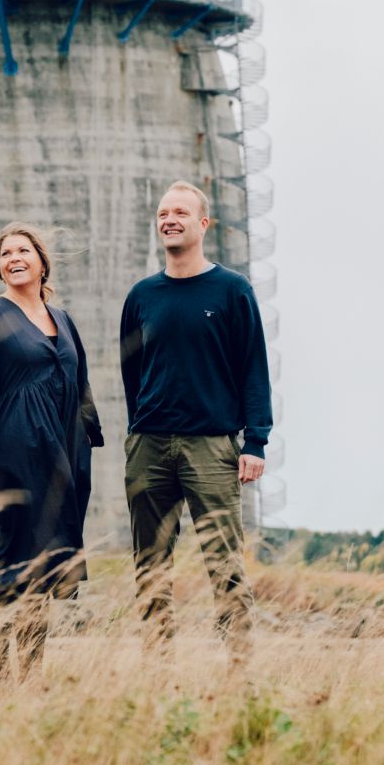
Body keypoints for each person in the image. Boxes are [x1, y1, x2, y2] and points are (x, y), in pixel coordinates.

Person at [120, 180, 273, 668]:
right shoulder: (142, 296)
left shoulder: (231, 290)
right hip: (149, 446)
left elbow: (253, 367)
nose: (170, 220)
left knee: (225, 565)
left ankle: (241, 673)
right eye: (164, 213)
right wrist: (138, 429)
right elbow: (131, 372)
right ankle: (158, 670)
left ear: (202, 224)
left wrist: (257, 441)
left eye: (181, 212)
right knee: (150, 567)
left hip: (211, 446)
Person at [0, 222, 103, 680]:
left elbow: (79, 389)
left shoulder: (64, 319)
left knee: (42, 567)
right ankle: (0, 674)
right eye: (5, 254)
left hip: (56, 462)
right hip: (6, 462)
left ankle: (32, 673)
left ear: (41, 261)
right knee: (2, 565)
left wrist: (84, 446)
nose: (13, 258)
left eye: (22, 250)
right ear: (0, 267)